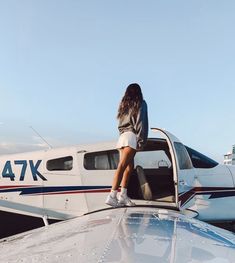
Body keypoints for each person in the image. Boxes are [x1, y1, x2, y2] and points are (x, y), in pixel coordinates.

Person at [105, 83, 149, 207]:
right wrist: (141, 141)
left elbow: (120, 123)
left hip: (122, 136)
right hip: (131, 136)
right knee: (122, 166)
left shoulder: (124, 104)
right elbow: (141, 122)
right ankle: (112, 195)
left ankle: (123, 195)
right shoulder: (141, 103)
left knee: (129, 168)